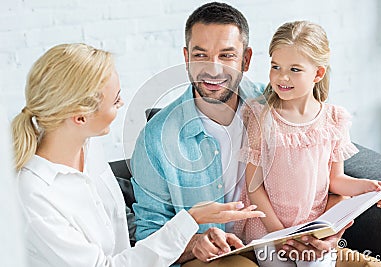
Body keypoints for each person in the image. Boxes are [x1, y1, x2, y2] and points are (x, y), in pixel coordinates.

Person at [131, 3, 372, 267]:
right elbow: (148, 237)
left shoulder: (279, 106)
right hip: (216, 256)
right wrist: (194, 244)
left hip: (292, 240)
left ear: (246, 59)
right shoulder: (155, 139)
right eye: (201, 55)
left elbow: (328, 181)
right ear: (187, 56)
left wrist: (329, 232)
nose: (213, 69)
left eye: (226, 56)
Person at [12, 43, 265, 267]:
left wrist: (193, 240)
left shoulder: (86, 149)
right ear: (80, 118)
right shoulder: (34, 196)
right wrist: (190, 219)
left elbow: (124, 231)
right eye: (115, 100)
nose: (121, 105)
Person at [233, 21, 381, 267]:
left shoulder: (334, 119)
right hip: (270, 231)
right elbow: (254, 187)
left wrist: (370, 188)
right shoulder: (261, 117)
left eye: (295, 69)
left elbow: (336, 180)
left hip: (314, 230)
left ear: (318, 74)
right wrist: (279, 235)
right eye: (275, 66)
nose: (282, 77)